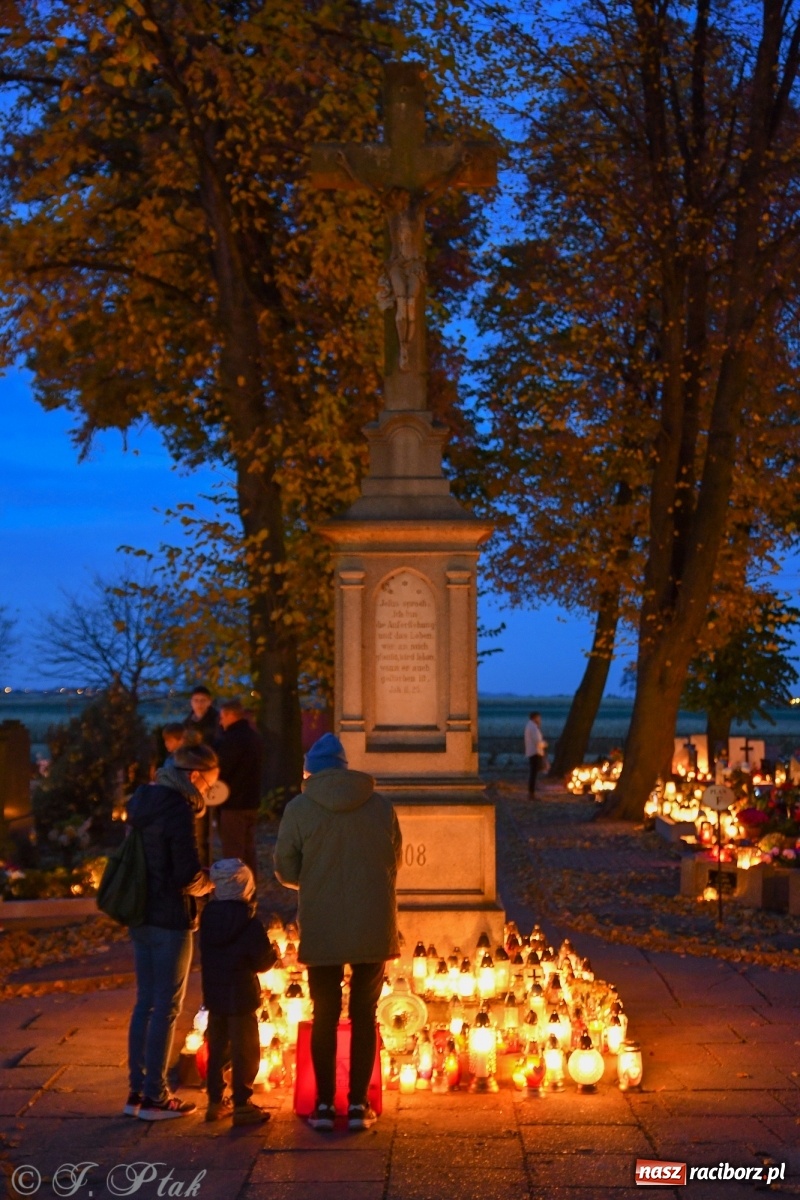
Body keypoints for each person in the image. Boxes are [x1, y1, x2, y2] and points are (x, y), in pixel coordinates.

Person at [274, 732, 402, 1131]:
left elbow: (285, 868)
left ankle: (325, 1106)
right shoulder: (380, 806)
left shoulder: (299, 808)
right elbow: (394, 859)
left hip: (323, 921)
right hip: (372, 921)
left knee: (325, 1013)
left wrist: (313, 881)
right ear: (345, 768)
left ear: (310, 772)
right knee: (365, 1015)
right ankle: (360, 1104)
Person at [124, 743, 218, 1120]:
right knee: (166, 1006)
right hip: (169, 918)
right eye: (208, 785)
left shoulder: (144, 800)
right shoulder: (178, 809)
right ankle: (157, 1098)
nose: (207, 794)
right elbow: (186, 875)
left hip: (140, 913)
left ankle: (136, 1092)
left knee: (145, 1001)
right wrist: (212, 883)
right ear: (193, 776)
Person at [200, 858, 276, 1127]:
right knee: (245, 1050)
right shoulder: (249, 923)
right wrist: (273, 952)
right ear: (246, 887)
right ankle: (242, 1103)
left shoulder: (207, 918)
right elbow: (262, 962)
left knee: (218, 1047)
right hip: (242, 998)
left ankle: (214, 1101)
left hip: (215, 995)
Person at [216, 697, 263, 881]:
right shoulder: (254, 737)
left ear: (229, 715)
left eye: (222, 717)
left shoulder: (232, 740)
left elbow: (222, 769)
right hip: (251, 802)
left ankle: (235, 895)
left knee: (233, 853)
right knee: (248, 851)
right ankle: (250, 893)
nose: (220, 722)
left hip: (233, 803)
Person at [523, 711, 547, 800]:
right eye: (539, 718)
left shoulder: (530, 726)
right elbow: (538, 742)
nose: (540, 720)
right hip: (535, 752)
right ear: (535, 718)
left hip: (532, 752)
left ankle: (532, 791)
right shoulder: (533, 727)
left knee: (534, 773)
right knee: (533, 773)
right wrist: (544, 744)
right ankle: (531, 793)